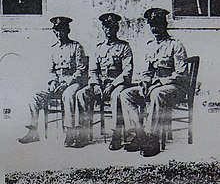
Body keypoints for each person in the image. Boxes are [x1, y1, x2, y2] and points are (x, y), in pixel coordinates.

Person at [119, 8, 188, 156]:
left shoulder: (175, 45)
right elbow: (147, 71)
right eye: (152, 25)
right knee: (126, 94)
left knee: (157, 94)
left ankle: (152, 139)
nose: (155, 29)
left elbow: (181, 74)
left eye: (158, 25)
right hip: (153, 86)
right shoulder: (150, 46)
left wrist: (160, 82)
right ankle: (139, 135)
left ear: (165, 25)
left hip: (174, 88)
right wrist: (145, 82)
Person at [18, 16, 87, 145]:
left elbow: (80, 71)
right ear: (54, 31)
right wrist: (52, 81)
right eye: (56, 30)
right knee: (34, 96)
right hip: (57, 82)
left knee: (68, 94)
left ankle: (70, 132)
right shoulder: (53, 48)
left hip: (72, 82)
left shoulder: (77, 47)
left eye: (62, 30)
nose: (59, 34)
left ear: (67, 30)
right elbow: (50, 70)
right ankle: (33, 131)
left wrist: (66, 83)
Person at [71, 13, 134, 149]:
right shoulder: (98, 48)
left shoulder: (124, 47)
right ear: (103, 28)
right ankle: (83, 134)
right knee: (81, 94)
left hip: (116, 84)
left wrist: (112, 85)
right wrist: (96, 85)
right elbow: (93, 71)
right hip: (100, 84)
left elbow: (127, 71)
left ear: (116, 28)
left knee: (117, 96)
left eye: (111, 28)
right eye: (106, 27)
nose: (108, 31)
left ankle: (116, 134)